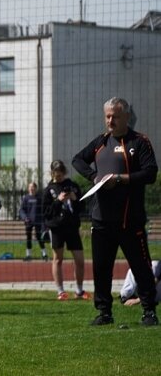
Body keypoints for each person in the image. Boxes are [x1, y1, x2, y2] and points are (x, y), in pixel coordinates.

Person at [72, 97, 158, 326]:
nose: (110, 120)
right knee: (101, 268)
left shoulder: (140, 142)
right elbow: (77, 160)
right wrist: (94, 177)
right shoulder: (101, 142)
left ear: (126, 117)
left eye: (115, 116)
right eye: (107, 116)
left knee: (141, 267)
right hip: (101, 220)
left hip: (130, 220)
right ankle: (104, 312)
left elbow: (150, 173)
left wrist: (120, 179)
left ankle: (149, 311)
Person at [42, 160, 89, 301]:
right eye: (56, 176)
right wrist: (58, 201)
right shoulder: (48, 190)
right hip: (57, 228)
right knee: (58, 259)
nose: (58, 178)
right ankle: (60, 291)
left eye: (61, 175)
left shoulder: (73, 186)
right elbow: (46, 212)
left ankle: (79, 290)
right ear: (52, 173)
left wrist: (75, 199)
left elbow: (82, 207)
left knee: (80, 260)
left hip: (72, 227)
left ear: (64, 173)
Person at [19, 182, 48, 261]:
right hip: (28, 221)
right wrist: (25, 217)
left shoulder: (39, 198)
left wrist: (44, 222)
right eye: (30, 187)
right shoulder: (26, 198)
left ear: (36, 188)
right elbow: (21, 210)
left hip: (38, 221)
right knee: (28, 238)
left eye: (33, 187)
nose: (31, 189)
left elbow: (43, 210)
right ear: (28, 188)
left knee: (39, 237)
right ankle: (28, 255)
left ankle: (44, 254)